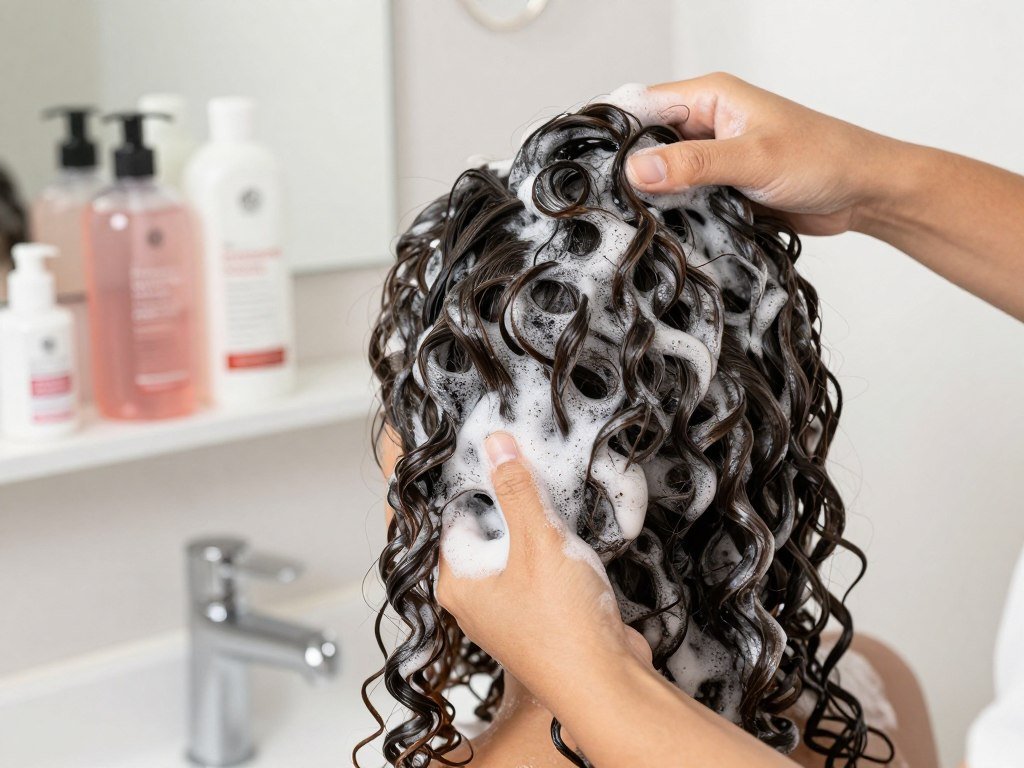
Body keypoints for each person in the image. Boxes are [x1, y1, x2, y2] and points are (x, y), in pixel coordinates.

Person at [374, 73, 1023, 767]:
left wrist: (599, 683)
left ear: (461, 487)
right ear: (761, 446)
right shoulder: (870, 698)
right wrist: (871, 182)